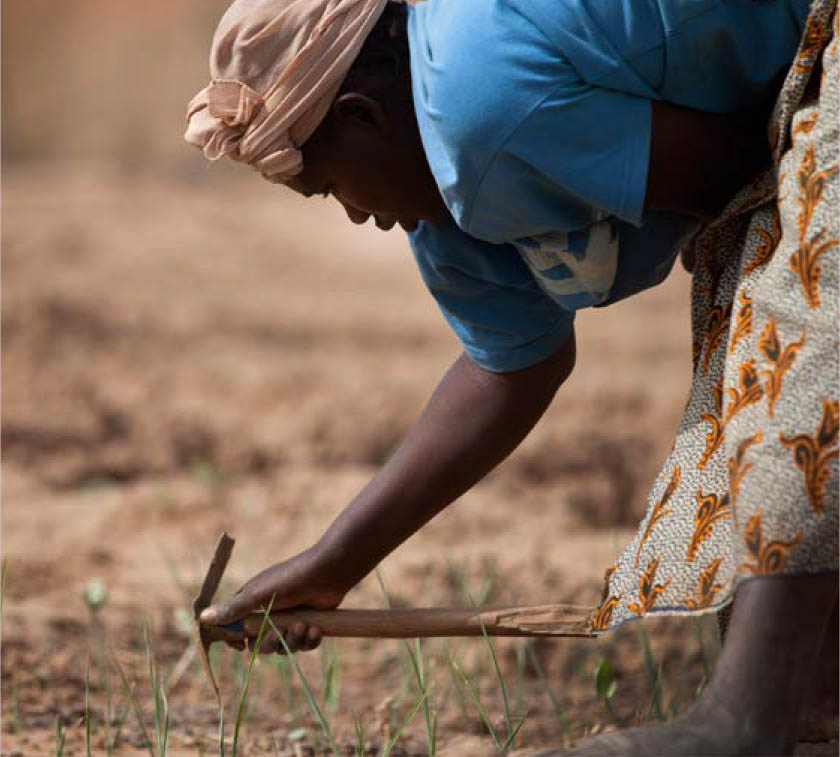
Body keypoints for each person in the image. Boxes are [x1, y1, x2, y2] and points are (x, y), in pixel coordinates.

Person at [185, 0, 839, 753]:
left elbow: (742, 176)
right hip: (794, 97)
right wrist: (334, 565)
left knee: (805, 306)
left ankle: (749, 719)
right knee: (764, 329)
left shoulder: (475, 97)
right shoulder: (444, 204)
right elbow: (511, 372)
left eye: (332, 189)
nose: (356, 217)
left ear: (364, 118)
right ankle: (810, 708)